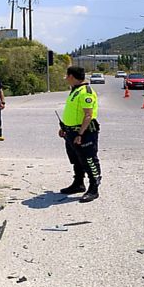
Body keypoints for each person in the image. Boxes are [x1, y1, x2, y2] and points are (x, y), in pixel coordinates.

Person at [58, 66, 101, 203]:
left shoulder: (86, 92)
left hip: (84, 132)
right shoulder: (75, 91)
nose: (66, 78)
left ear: (71, 76)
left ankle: (94, 188)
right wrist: (64, 128)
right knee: (76, 159)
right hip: (71, 132)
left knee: (89, 160)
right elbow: (73, 113)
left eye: (67, 75)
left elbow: (88, 116)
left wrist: (80, 134)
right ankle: (78, 184)